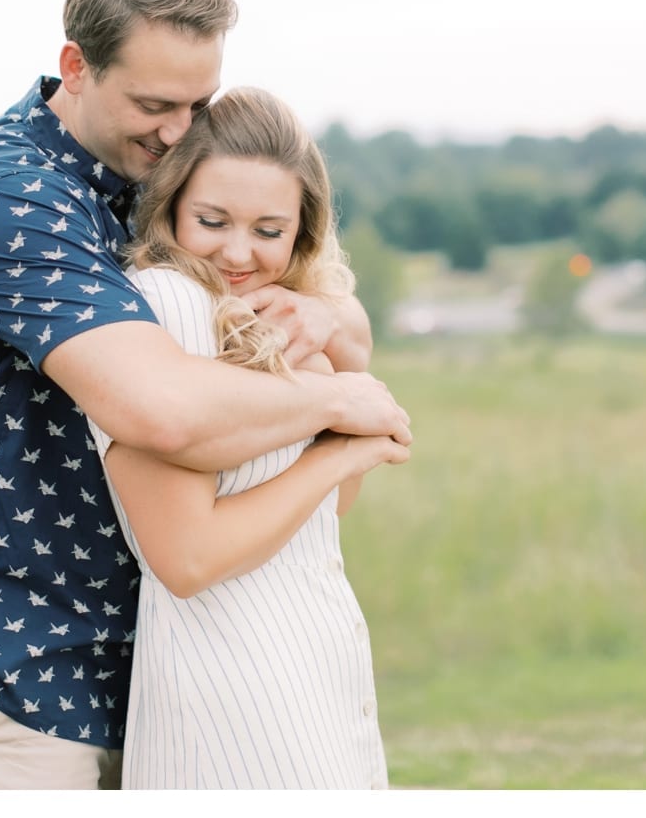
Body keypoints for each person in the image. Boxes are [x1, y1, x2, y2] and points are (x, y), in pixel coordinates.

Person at [0, 0, 412, 790]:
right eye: (154, 102)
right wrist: (341, 402)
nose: (178, 130)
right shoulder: (9, 197)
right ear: (75, 67)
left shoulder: (152, 179)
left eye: (197, 103)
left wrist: (338, 318)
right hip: (9, 668)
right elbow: (161, 410)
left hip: (148, 673)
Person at [89, 86, 406, 790]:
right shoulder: (170, 305)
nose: (238, 251)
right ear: (172, 205)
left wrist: (336, 352)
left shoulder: (281, 313)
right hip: (235, 690)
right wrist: (343, 449)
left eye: (268, 230)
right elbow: (187, 556)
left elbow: (328, 517)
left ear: (302, 231)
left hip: (320, 668)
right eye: (212, 220)